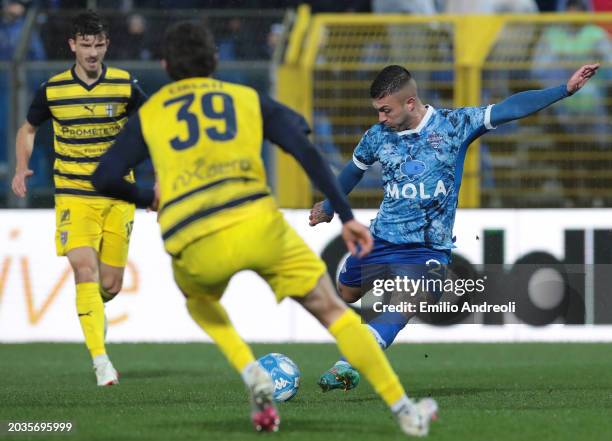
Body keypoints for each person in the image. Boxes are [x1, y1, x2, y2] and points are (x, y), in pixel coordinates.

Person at [92, 21, 438, 436]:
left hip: (195, 235)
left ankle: (249, 368)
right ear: (215, 59)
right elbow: (302, 145)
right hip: (259, 223)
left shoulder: (150, 113)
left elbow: (105, 177)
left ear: (165, 65)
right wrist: (345, 216)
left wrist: (150, 197)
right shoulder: (244, 98)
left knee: (199, 301)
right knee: (334, 313)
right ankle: (405, 412)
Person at [309, 63, 599, 391]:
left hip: (429, 248)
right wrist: (330, 206)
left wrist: (564, 89)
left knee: (404, 304)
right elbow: (353, 171)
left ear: (409, 103)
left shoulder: (454, 124)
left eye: (385, 110)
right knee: (347, 292)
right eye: (377, 111)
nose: (380, 118)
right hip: (380, 239)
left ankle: (348, 364)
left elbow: (510, 108)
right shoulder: (377, 137)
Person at [11, 10, 147, 386]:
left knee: (110, 286)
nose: (92, 53)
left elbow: (152, 125)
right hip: (73, 194)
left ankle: (90, 309)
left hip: (118, 195)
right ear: (72, 45)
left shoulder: (124, 85)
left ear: (107, 45)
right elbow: (28, 128)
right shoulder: (53, 90)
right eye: (85, 45)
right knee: (83, 269)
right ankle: (101, 361)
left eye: (98, 45)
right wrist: (21, 167)